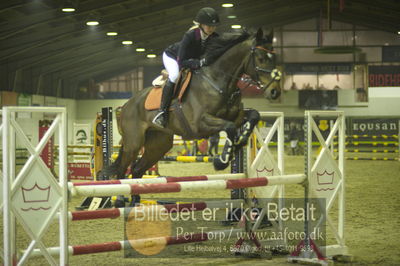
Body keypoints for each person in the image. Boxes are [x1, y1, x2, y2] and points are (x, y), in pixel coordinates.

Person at [152, 7, 220, 128]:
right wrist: (197, 63)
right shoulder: (190, 35)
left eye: (214, 26)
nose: (212, 28)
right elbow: (181, 61)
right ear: (201, 25)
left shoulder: (214, 37)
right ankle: (162, 112)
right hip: (172, 57)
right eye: (209, 26)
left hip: (192, 60)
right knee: (174, 75)